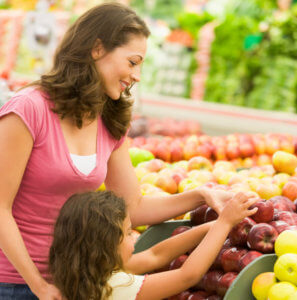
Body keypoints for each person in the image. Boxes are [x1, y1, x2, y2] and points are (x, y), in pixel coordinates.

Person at [0, 2, 234, 299]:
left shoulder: (108, 121)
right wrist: (39, 285)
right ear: (97, 49)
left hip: (75, 283)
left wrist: (201, 195)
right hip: (14, 283)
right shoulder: (29, 109)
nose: (136, 75)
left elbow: (132, 208)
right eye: (133, 62)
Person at [49, 190, 258, 300]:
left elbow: (154, 255)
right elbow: (187, 276)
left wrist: (210, 228)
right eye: (128, 233)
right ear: (106, 245)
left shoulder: (85, 274)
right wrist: (225, 223)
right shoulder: (115, 287)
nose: (135, 237)